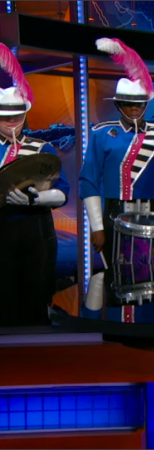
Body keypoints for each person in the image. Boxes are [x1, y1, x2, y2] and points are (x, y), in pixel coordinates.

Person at [79, 38, 154, 265]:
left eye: (139, 103)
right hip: (113, 215)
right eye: (127, 103)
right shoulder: (101, 134)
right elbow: (89, 182)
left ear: (146, 104)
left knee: (150, 276)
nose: (134, 108)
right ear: (118, 105)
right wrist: (97, 227)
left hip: (153, 216)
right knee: (115, 277)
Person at [0, 44, 70, 325]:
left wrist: (35, 200)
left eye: (17, 117)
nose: (12, 123)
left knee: (35, 301)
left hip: (35, 233)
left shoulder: (43, 149)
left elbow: (62, 193)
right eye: (6, 118)